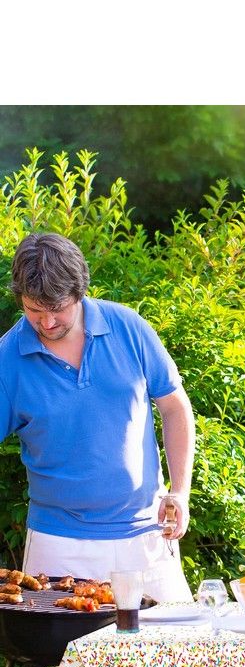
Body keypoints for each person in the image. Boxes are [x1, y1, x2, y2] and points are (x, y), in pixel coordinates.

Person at [0, 232, 195, 601]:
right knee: (70, 658)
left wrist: (180, 492)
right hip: (57, 544)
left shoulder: (129, 328)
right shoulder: (8, 359)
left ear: (80, 291)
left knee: (172, 651)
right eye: (34, 310)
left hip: (146, 535)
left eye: (57, 307)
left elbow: (175, 408)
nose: (47, 322)